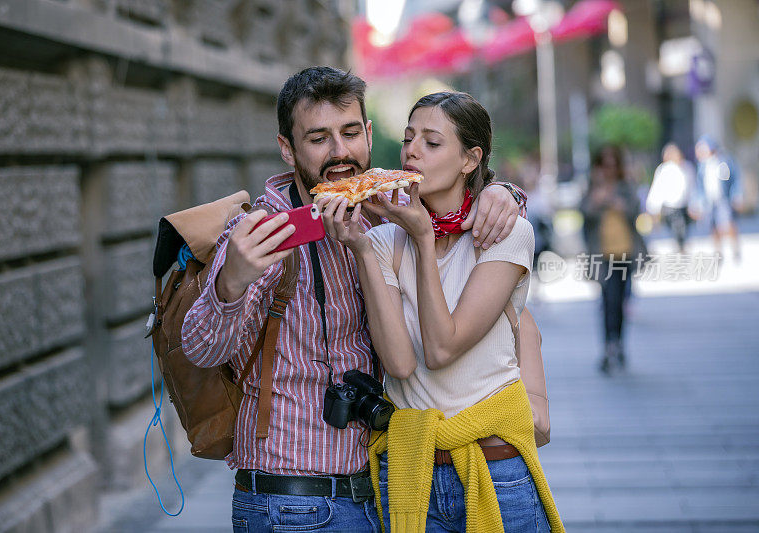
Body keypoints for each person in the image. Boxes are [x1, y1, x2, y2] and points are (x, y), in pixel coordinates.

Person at [180, 67, 529, 532]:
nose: (339, 152)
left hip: (379, 487)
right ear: (288, 148)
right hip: (293, 500)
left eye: (349, 133)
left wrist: (504, 193)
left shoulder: (380, 216)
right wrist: (231, 282)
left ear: (367, 134)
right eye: (318, 138)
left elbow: (455, 205)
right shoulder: (267, 231)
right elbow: (202, 349)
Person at [321, 91, 562, 532]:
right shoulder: (380, 241)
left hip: (496, 471)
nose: (411, 150)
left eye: (431, 143)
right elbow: (399, 362)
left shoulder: (507, 235)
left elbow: (441, 347)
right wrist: (359, 247)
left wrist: (423, 240)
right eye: (408, 138)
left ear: (470, 159)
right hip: (413, 473)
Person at [581, 145, 647, 374]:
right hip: (603, 255)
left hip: (624, 253)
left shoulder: (626, 187)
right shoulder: (593, 188)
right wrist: (597, 198)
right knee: (608, 300)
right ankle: (610, 346)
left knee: (620, 301)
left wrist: (619, 203)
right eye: (604, 164)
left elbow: (636, 210)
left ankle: (617, 343)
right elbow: (584, 213)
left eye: (612, 164)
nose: (608, 169)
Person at [693, 135, 742, 261]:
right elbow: (699, 186)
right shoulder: (702, 166)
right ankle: (718, 252)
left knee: (728, 223)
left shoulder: (724, 161)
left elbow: (735, 179)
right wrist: (697, 203)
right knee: (713, 227)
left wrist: (737, 195)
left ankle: (735, 249)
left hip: (723, 198)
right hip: (709, 200)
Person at [645, 142, 696, 252]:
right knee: (677, 227)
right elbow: (657, 189)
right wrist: (653, 207)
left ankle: (681, 246)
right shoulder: (664, 170)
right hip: (671, 206)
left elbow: (692, 187)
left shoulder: (687, 167)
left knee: (684, 229)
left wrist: (694, 203)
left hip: (684, 205)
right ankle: (680, 248)